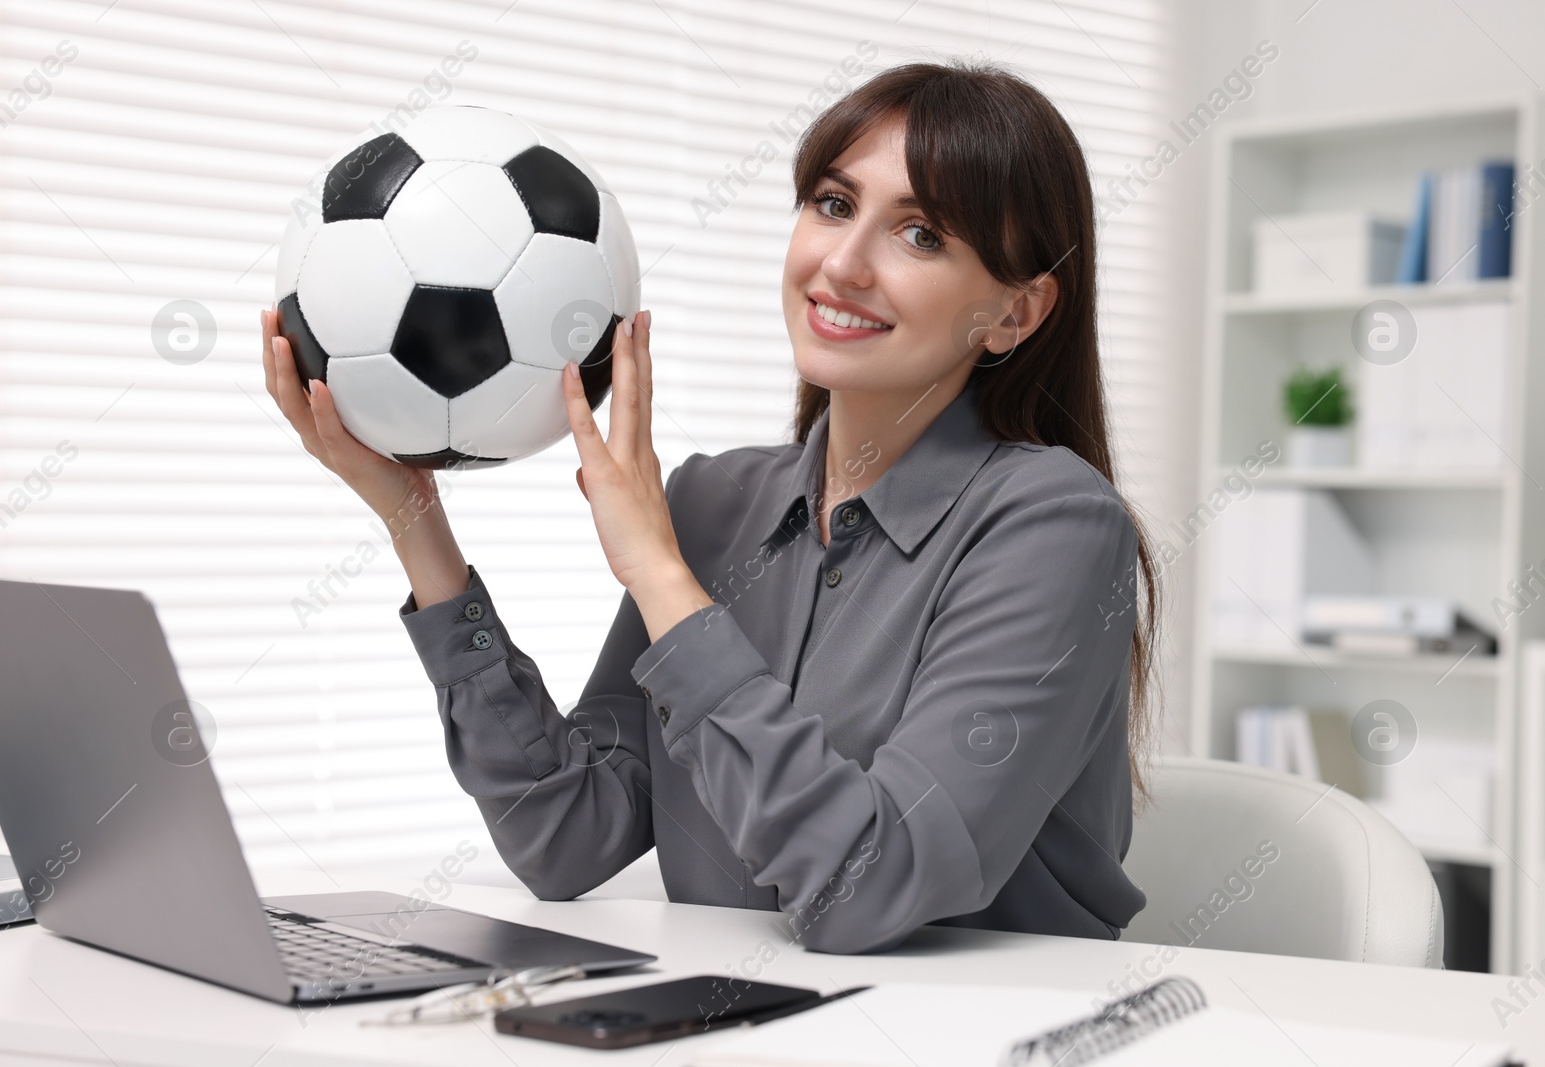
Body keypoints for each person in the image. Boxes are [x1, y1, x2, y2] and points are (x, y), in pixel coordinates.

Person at [259, 58, 1162, 955]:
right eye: (834, 204)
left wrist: (658, 570)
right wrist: (416, 520)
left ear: (1014, 313)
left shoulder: (1055, 528)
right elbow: (567, 837)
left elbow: (868, 885)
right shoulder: (714, 500)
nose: (842, 264)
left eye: (921, 234)